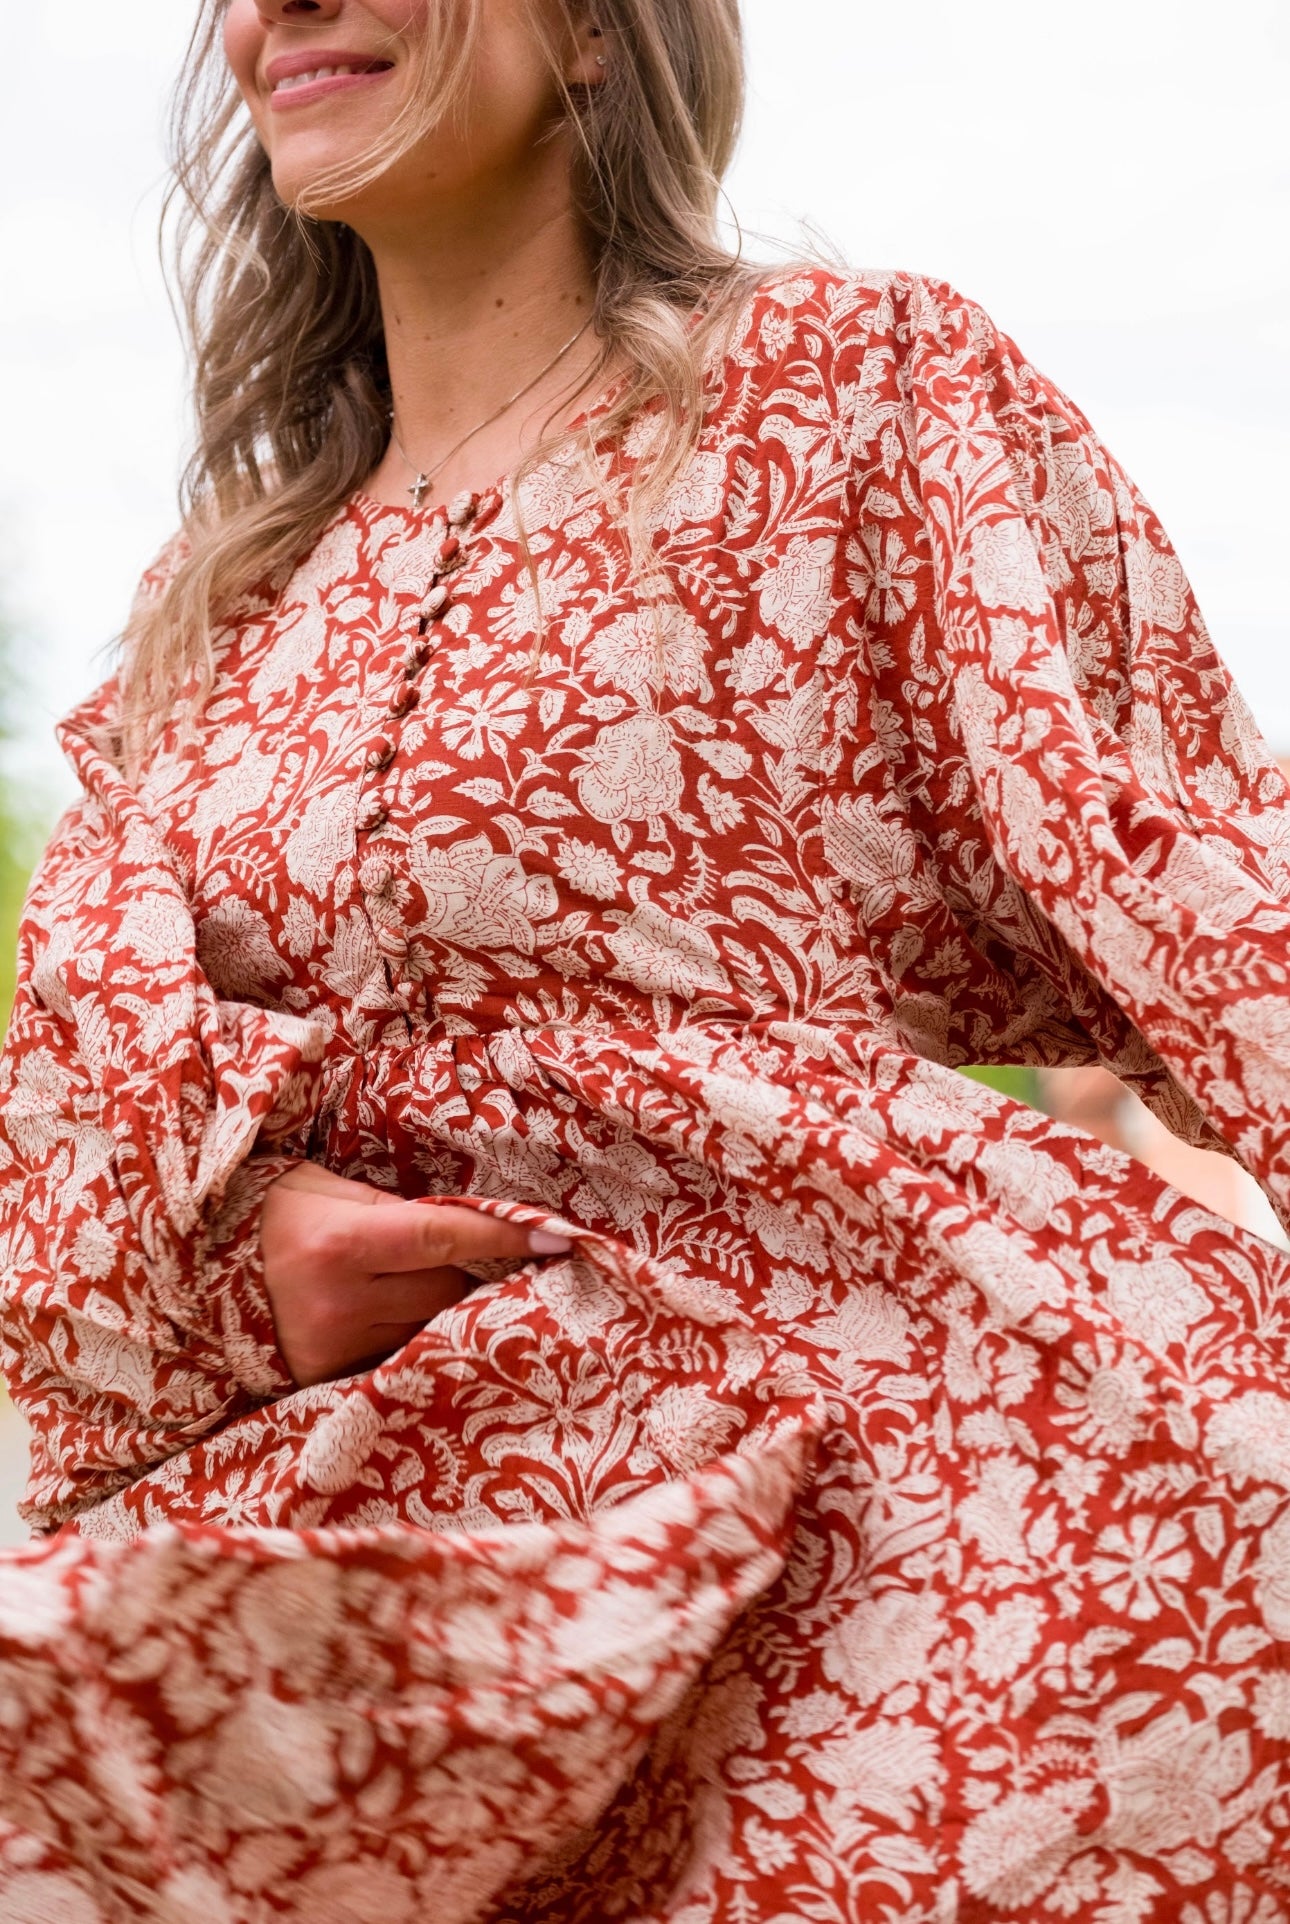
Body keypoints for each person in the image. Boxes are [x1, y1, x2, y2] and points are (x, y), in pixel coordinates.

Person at [0, 0, 1287, 1916]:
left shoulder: (855, 385)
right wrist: (239, 1253)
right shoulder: (225, 597)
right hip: (362, 1574)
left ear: (598, 33)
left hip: (870, 1493)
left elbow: (1182, 866)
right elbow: (71, 1114)